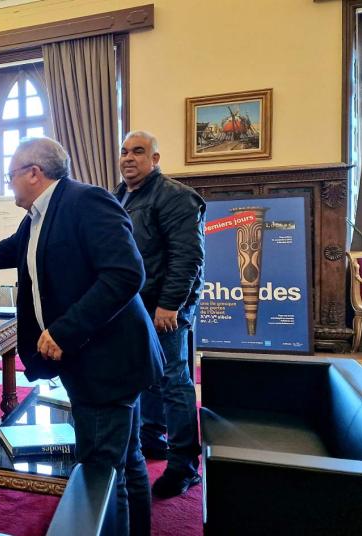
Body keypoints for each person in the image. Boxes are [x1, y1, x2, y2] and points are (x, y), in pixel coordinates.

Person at [0, 137, 162, 536]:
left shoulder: (86, 201)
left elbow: (126, 274)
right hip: (97, 359)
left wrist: (64, 330)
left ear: (34, 173)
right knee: (125, 460)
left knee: (100, 472)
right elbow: (3, 251)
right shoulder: (38, 216)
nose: (9, 182)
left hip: (108, 362)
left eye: (11, 174)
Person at [114, 131, 205, 499]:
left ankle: (184, 467)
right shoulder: (120, 194)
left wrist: (170, 304)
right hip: (133, 305)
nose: (128, 157)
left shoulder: (175, 195)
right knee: (145, 374)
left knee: (173, 379)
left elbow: (188, 256)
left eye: (138, 151)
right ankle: (153, 438)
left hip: (165, 306)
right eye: (124, 151)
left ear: (154, 159)